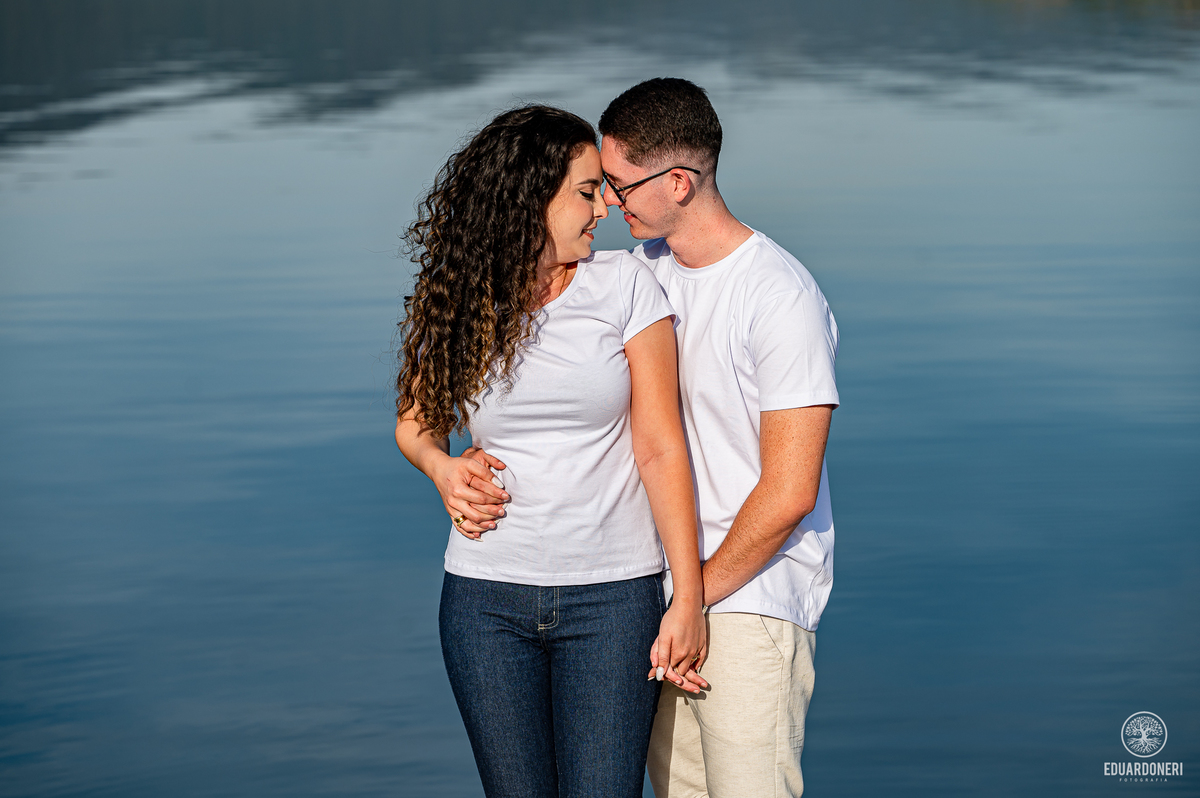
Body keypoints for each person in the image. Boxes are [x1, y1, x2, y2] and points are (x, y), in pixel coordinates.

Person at [393, 105, 706, 798]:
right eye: (587, 191)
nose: (605, 208)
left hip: (615, 601)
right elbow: (416, 423)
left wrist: (688, 596)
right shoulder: (462, 296)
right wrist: (441, 467)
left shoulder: (623, 284)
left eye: (603, 190)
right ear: (531, 197)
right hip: (485, 601)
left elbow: (660, 447)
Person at [598, 78, 840, 797]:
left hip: (749, 599)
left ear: (677, 182)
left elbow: (790, 492)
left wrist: (694, 598)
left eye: (619, 184)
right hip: (660, 599)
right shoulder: (636, 274)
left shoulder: (779, 296)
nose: (610, 202)